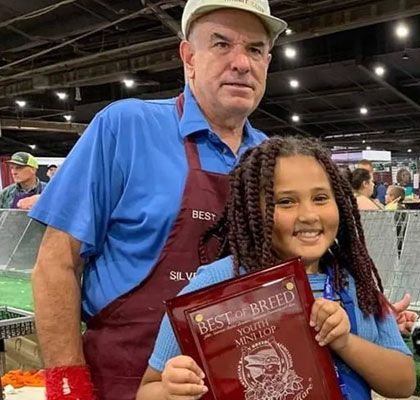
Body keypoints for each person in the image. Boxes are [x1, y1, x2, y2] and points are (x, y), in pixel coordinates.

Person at [28, 1, 287, 399]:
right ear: (189, 57)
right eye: (221, 44)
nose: (240, 62)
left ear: (267, 62)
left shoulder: (272, 157)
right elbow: (56, 262)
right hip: (123, 378)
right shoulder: (126, 127)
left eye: (254, 49)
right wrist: (68, 384)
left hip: (235, 379)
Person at [137, 136, 416, 400]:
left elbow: (404, 383)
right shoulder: (212, 288)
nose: (308, 215)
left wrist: (344, 342)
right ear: (253, 212)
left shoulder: (356, 284)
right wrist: (171, 389)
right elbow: (147, 390)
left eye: (320, 198)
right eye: (285, 201)